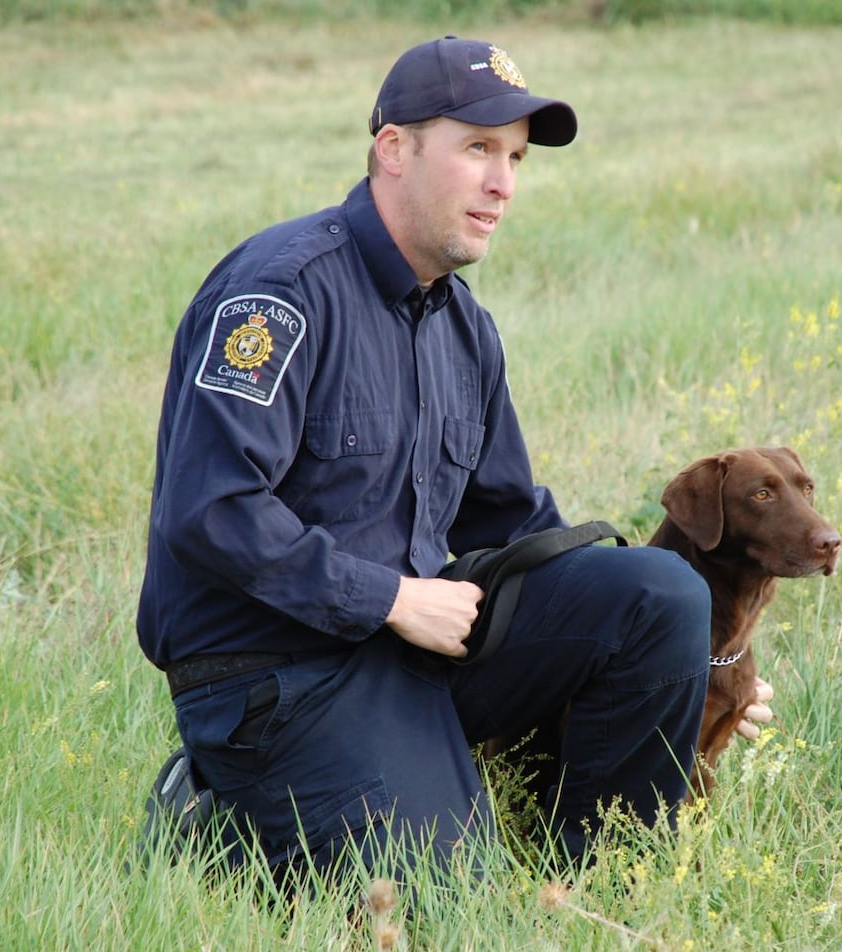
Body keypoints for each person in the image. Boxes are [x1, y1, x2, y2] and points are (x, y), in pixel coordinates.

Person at [137, 35, 767, 883]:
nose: (503, 183)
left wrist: (700, 659)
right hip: (273, 673)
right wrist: (393, 596)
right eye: (477, 149)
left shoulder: (462, 327)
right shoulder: (281, 294)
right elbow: (209, 511)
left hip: (409, 650)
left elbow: (516, 525)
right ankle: (214, 812)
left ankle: (603, 877)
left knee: (658, 595)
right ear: (394, 151)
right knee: (444, 903)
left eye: (514, 157)